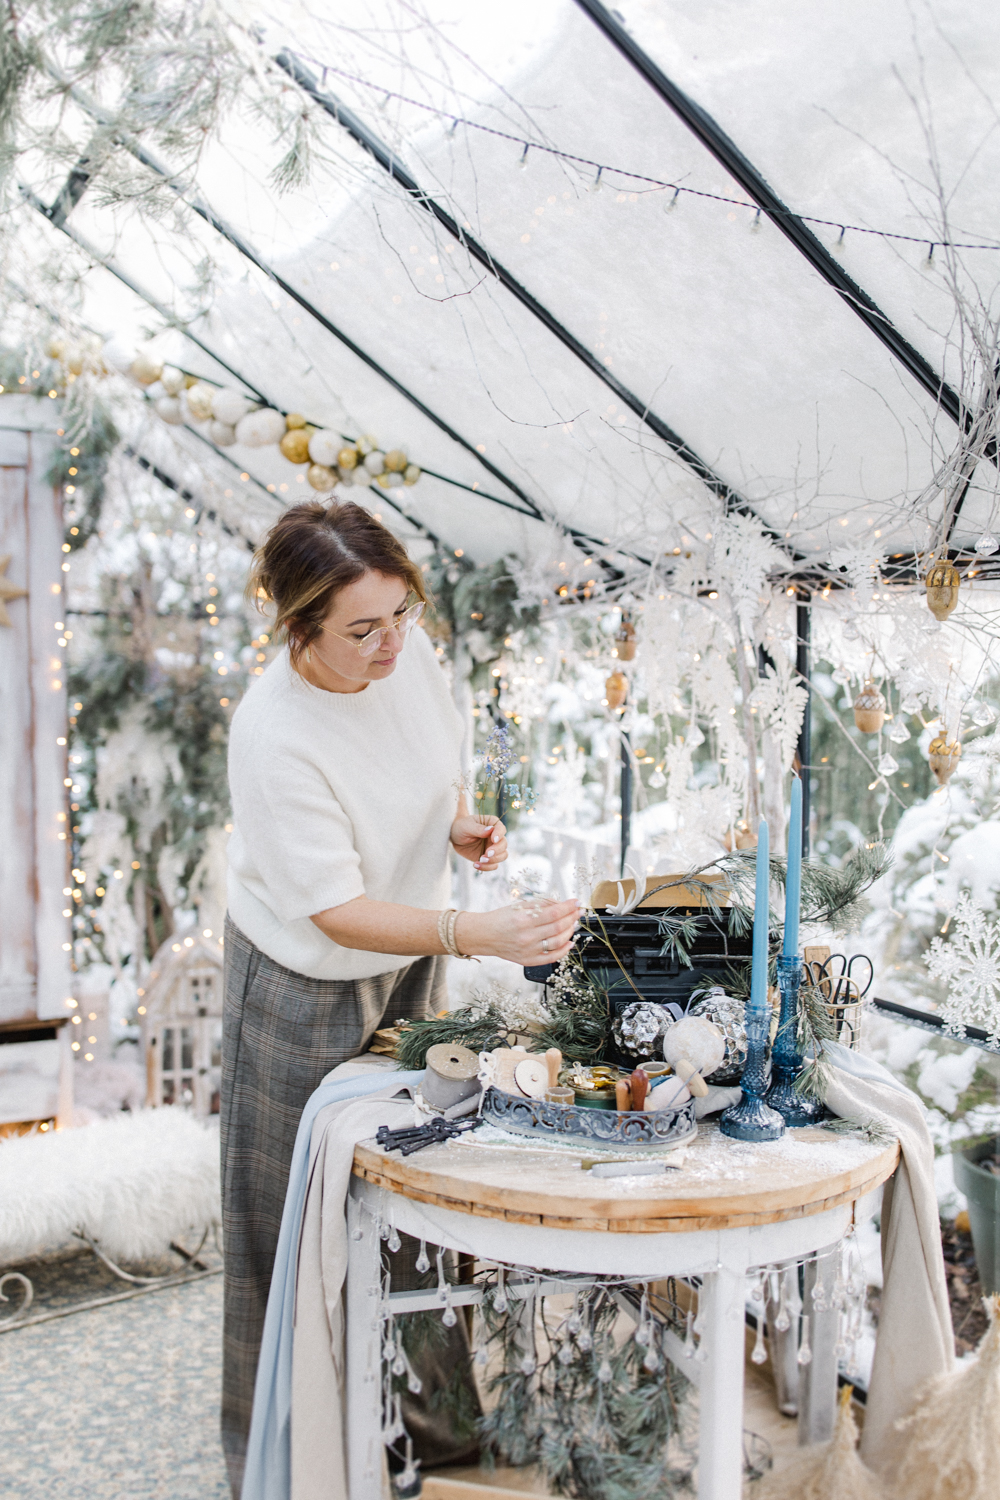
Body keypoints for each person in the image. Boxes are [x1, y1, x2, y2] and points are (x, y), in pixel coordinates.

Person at [220, 500, 578, 1493]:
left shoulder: (404, 653)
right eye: (362, 629)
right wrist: (473, 932)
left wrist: (459, 824)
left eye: (401, 614)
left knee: (421, 1184)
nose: (390, 644)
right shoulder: (273, 735)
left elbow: (433, 767)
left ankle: (434, 1432)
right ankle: (281, 1452)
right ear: (300, 627)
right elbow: (334, 909)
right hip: (296, 982)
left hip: (412, 957)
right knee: (288, 1222)